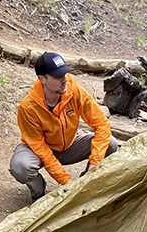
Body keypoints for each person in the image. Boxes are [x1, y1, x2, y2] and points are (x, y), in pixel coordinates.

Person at [10, 51, 117, 202]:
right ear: (42, 79)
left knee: (110, 143)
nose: (64, 79)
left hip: (70, 144)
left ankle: (84, 184)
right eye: (57, 76)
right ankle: (38, 194)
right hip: (38, 150)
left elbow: (101, 124)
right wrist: (65, 181)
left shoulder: (74, 90)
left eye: (64, 73)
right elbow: (39, 147)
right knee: (20, 167)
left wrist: (94, 164)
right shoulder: (28, 107)